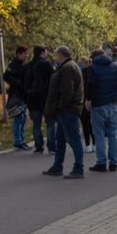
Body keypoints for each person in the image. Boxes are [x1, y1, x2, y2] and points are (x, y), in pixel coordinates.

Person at [42, 46, 84, 179]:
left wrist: (60, 106)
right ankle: (57, 166)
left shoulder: (67, 68)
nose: (55, 58)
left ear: (61, 55)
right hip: (66, 109)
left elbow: (67, 91)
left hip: (67, 109)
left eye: (56, 55)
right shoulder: (70, 66)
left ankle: (78, 168)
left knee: (73, 139)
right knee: (60, 139)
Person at [86, 48, 117, 172]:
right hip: (113, 103)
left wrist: (88, 99)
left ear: (93, 58)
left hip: (98, 104)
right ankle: (113, 162)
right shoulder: (114, 66)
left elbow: (90, 84)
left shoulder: (93, 68)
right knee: (113, 134)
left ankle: (101, 162)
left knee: (99, 134)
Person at [25, 46, 56, 154]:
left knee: (36, 124)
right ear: (42, 53)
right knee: (50, 123)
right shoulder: (47, 65)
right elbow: (53, 79)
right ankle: (52, 147)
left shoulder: (29, 66)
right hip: (46, 98)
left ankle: (39, 147)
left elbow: (26, 83)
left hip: (33, 99)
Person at [4, 46, 30, 150]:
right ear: (18, 54)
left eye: (26, 54)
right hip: (16, 95)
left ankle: (22, 139)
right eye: (24, 54)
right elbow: (6, 76)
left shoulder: (23, 65)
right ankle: (18, 141)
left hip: (23, 95)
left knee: (23, 118)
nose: (26, 56)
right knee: (19, 118)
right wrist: (17, 83)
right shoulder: (13, 65)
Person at [78, 56, 95, 153]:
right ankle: (94, 144)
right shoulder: (93, 71)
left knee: (85, 124)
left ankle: (88, 144)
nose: (79, 65)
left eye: (80, 63)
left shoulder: (81, 73)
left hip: (83, 101)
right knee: (92, 124)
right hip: (92, 100)